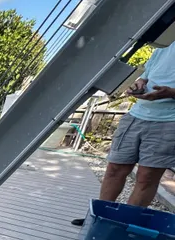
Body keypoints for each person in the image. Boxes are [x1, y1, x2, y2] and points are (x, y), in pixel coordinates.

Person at [72, 43, 175, 226]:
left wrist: (171, 93)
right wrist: (140, 84)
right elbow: (145, 77)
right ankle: (98, 219)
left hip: (169, 121)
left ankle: (122, 227)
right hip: (136, 115)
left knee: (146, 177)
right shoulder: (165, 45)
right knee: (114, 169)